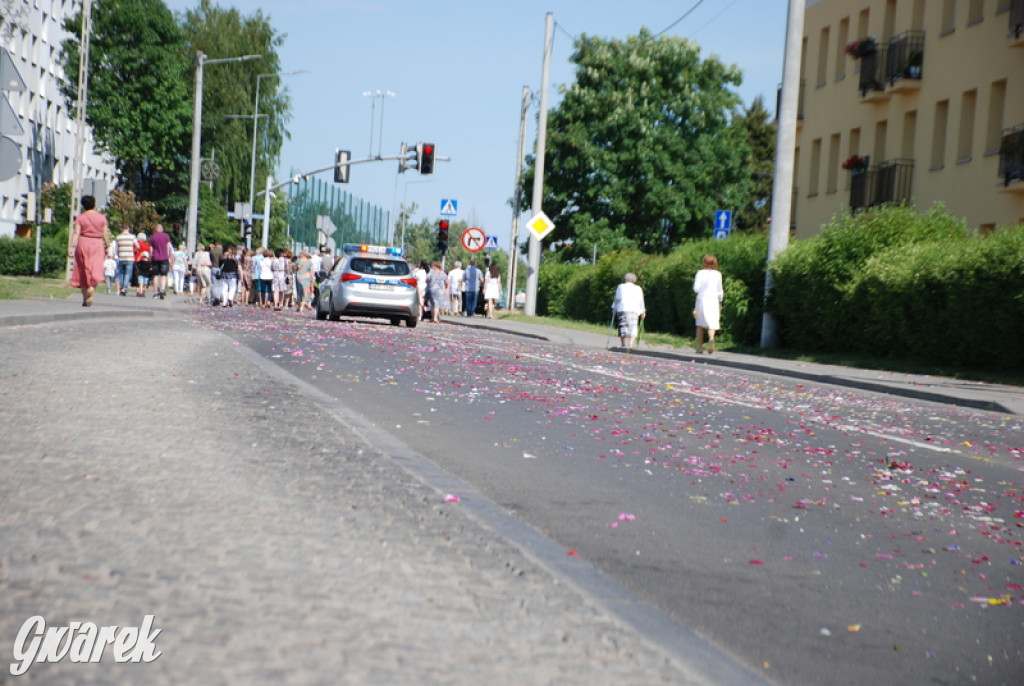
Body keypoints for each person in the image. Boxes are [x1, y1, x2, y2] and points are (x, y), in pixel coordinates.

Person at [67, 195, 110, 307]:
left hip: (83, 242)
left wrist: (71, 247)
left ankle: (85, 296)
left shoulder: (80, 217)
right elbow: (105, 234)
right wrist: (108, 246)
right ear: (94, 204)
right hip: (97, 244)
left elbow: (76, 233)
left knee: (83, 269)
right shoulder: (102, 218)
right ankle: (91, 289)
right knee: (95, 268)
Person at [693, 254, 724, 354]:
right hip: (713, 300)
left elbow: (696, 288)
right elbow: (720, 290)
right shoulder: (718, 274)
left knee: (700, 324)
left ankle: (700, 347)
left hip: (702, 299)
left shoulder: (700, 273)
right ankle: (711, 338)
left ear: (704, 262)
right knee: (713, 322)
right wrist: (720, 301)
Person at [612, 272, 646, 351]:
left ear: (626, 279)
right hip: (634, 309)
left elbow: (617, 298)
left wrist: (614, 307)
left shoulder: (620, 286)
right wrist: (643, 311)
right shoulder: (638, 288)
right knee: (633, 327)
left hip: (623, 308)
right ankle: (630, 344)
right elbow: (641, 300)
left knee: (622, 326)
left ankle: (623, 344)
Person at [148, 224, 172, 299]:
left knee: (155, 275)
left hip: (155, 258)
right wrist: (170, 255)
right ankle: (162, 290)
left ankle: (155, 292)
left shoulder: (152, 237)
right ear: (162, 229)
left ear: (156, 229)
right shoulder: (166, 236)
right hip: (164, 258)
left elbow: (151, 249)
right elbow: (169, 246)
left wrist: (150, 257)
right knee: (163, 275)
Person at [113, 224, 137, 296]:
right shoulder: (132, 236)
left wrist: (118, 254)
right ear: (128, 228)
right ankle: (124, 288)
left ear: (122, 229)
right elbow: (137, 246)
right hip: (129, 257)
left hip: (121, 257)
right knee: (127, 274)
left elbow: (116, 248)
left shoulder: (118, 237)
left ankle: (121, 288)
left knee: (121, 273)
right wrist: (133, 250)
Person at [294, 249, 314, 313]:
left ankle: (299, 306)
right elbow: (312, 272)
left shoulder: (298, 261)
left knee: (299, 292)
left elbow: (294, 269)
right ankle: (302, 306)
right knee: (305, 292)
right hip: (307, 277)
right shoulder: (310, 262)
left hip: (299, 276)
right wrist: (312, 280)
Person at [134, 232, 151, 297]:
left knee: (137, 276)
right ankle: (143, 291)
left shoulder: (137, 244)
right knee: (145, 276)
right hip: (146, 261)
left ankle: (138, 291)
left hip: (137, 260)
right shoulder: (147, 245)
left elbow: (134, 250)